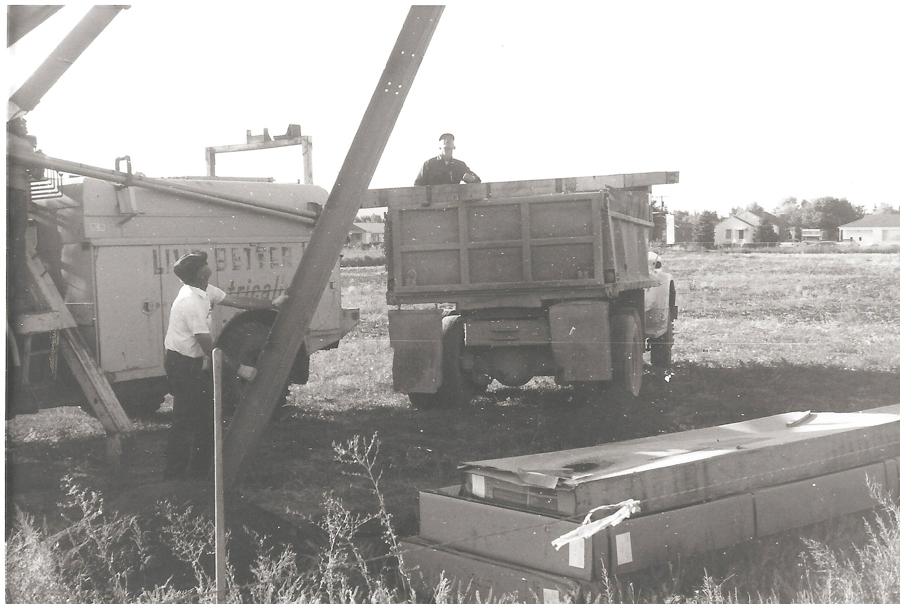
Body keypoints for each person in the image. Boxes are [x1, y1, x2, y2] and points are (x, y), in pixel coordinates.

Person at [163, 251, 287, 479]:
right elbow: (210, 349)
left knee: (207, 416)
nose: (209, 265)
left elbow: (236, 301)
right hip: (182, 364)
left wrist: (271, 304)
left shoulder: (204, 290)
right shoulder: (190, 302)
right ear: (201, 273)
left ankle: (200, 472)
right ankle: (174, 477)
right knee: (185, 420)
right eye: (205, 264)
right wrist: (241, 369)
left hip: (192, 362)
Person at [414, 133, 481, 186]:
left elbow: (477, 181)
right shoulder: (428, 164)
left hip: (454, 202)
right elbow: (418, 185)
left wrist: (472, 179)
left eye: (450, 139)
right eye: (444, 138)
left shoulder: (459, 165)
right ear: (439, 146)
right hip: (434, 202)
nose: (447, 139)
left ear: (454, 147)